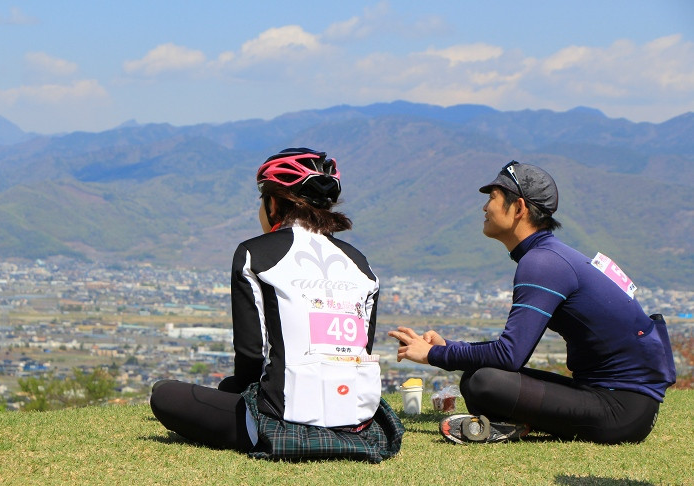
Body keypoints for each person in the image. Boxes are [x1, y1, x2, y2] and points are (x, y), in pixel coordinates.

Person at [389, 160, 676, 445]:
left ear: (519, 208)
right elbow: (510, 351)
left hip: (622, 412)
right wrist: (449, 348)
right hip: (615, 400)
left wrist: (433, 356)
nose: (484, 208)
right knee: (477, 378)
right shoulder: (551, 256)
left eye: (492, 198)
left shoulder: (542, 264)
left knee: (482, 382)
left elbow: (510, 355)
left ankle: (511, 424)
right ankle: (512, 425)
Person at [151, 147, 404, 462]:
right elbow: (360, 349)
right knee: (230, 387)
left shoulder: (254, 254)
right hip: (358, 422)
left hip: (281, 419)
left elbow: (250, 354)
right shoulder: (361, 263)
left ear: (272, 203)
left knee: (165, 394)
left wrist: (241, 392)